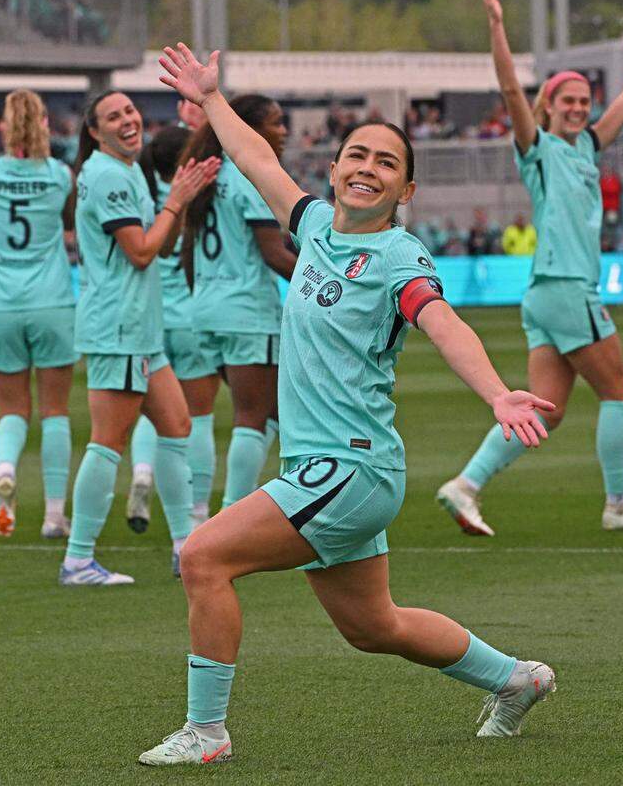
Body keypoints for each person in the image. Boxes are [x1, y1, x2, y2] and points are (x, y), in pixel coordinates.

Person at [138, 43, 557, 767]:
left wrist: (496, 391)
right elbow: (257, 162)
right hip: (334, 468)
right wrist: (211, 101)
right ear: (332, 170)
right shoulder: (314, 228)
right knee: (372, 625)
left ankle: (207, 732)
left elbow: (442, 322)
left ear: (406, 191)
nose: (366, 167)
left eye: (386, 163)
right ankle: (516, 678)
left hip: (347, 471)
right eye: (355, 155)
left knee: (202, 555)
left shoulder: (400, 257)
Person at [437, 0, 623, 537]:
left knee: (546, 409)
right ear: (548, 107)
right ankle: (620, 504)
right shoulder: (539, 148)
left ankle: (464, 486)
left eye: (583, 101)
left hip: (548, 294)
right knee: (618, 391)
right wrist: (498, 26)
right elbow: (510, 88)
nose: (578, 108)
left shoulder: (588, 148)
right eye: (567, 101)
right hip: (567, 286)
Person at [58, 90, 220, 585]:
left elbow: (161, 243)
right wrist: (174, 200)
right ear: (94, 131)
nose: (127, 120)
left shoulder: (123, 172)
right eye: (114, 116)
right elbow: (142, 252)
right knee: (107, 443)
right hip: (119, 327)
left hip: (140, 329)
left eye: (129, 111)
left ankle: (183, 547)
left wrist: (181, 201)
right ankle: (78, 559)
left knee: (177, 428)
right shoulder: (108, 176)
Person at [178, 94, 298, 515]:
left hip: (206, 311)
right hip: (247, 311)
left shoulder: (208, 173)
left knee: (281, 412)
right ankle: (227, 522)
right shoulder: (249, 177)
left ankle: (200, 517)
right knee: (251, 417)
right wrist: (333, 284)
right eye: (277, 123)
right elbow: (274, 254)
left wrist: (204, 297)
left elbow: (187, 251)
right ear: (249, 130)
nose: (284, 132)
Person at [0, 89, 76, 539]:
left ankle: (7, 469)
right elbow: (66, 222)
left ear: (3, 126)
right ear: (45, 124)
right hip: (50, 297)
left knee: (11, 410)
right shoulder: (57, 175)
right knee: (54, 410)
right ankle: (54, 514)